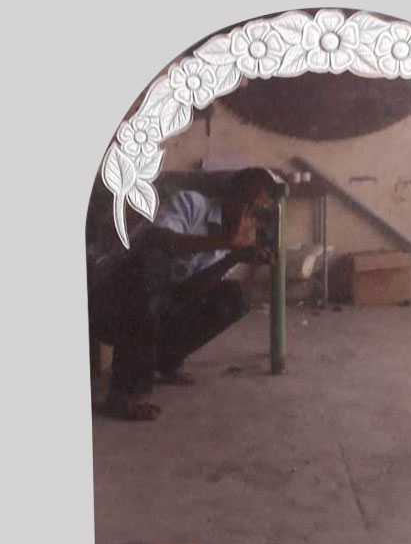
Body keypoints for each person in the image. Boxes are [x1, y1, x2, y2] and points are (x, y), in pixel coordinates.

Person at [88, 167, 280, 420]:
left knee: (235, 296)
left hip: (148, 317)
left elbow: (187, 293)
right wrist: (224, 243)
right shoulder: (192, 204)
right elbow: (156, 240)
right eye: (246, 203)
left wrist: (232, 257)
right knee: (154, 262)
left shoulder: (235, 239)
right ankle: (124, 393)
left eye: (257, 211)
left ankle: (165, 360)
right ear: (227, 195)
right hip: (108, 305)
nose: (249, 216)